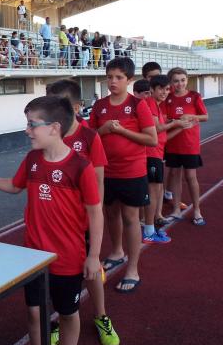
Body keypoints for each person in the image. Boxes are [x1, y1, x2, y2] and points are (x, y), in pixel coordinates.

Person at [0, 96, 103, 345]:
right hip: (33, 256)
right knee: (34, 312)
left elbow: (95, 213)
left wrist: (94, 255)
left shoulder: (80, 166)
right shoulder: (32, 160)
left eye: (32, 124)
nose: (27, 130)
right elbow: (15, 186)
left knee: (67, 313)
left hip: (67, 258)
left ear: (54, 128)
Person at [46, 80, 120, 345]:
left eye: (58, 104)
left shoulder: (89, 137)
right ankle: (56, 318)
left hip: (82, 221)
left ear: (76, 107)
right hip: (54, 222)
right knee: (54, 273)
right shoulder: (46, 134)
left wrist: (92, 219)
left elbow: (98, 183)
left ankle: (101, 316)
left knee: (91, 268)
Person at [89, 57, 157, 293]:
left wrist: (122, 131)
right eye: (109, 77)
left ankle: (133, 269)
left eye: (119, 77)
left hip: (132, 171)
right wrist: (103, 130)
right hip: (106, 171)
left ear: (129, 80)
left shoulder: (138, 105)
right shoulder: (99, 106)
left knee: (130, 218)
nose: (113, 81)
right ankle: (117, 251)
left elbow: (152, 139)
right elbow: (90, 138)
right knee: (111, 214)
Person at [143, 75, 189, 238]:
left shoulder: (157, 106)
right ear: (152, 90)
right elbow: (156, 129)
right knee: (153, 192)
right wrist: (176, 123)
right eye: (161, 88)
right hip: (150, 154)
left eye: (167, 89)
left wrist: (181, 127)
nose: (165, 92)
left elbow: (162, 137)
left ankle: (151, 224)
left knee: (155, 190)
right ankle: (148, 230)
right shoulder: (150, 104)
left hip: (156, 152)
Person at [165, 67, 208, 225]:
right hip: (172, 144)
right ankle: (176, 209)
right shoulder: (167, 98)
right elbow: (164, 119)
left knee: (191, 177)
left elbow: (205, 116)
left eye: (182, 80)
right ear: (171, 82)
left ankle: (197, 210)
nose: (180, 83)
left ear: (187, 80)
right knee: (175, 176)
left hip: (190, 144)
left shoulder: (194, 96)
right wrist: (173, 121)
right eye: (176, 81)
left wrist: (192, 116)